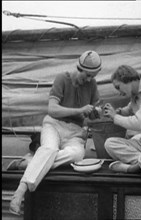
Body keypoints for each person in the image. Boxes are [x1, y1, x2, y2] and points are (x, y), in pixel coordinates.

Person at [9, 50, 102, 215]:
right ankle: (20, 191)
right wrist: (80, 110)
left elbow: (94, 112)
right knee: (50, 149)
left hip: (75, 133)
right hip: (54, 125)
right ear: (79, 68)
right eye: (87, 75)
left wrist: (97, 112)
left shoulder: (92, 84)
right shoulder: (62, 78)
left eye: (92, 76)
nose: (89, 79)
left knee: (77, 155)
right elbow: (52, 109)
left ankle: (30, 163)